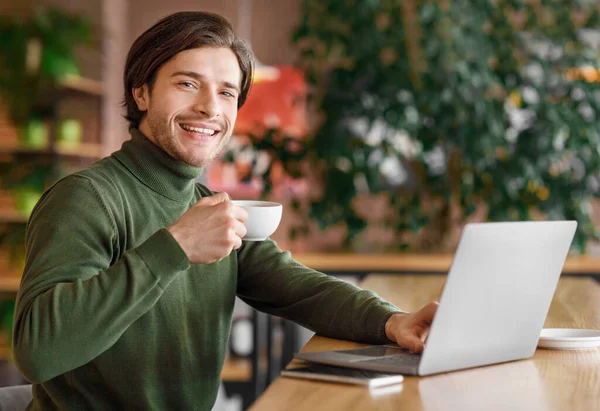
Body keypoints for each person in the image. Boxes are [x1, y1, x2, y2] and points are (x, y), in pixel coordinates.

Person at [12, 11, 438, 411]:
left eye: (227, 92)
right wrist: (175, 247)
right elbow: (38, 351)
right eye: (187, 84)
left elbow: (299, 287)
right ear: (141, 92)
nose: (210, 108)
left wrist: (391, 322)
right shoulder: (86, 197)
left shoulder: (204, 205)